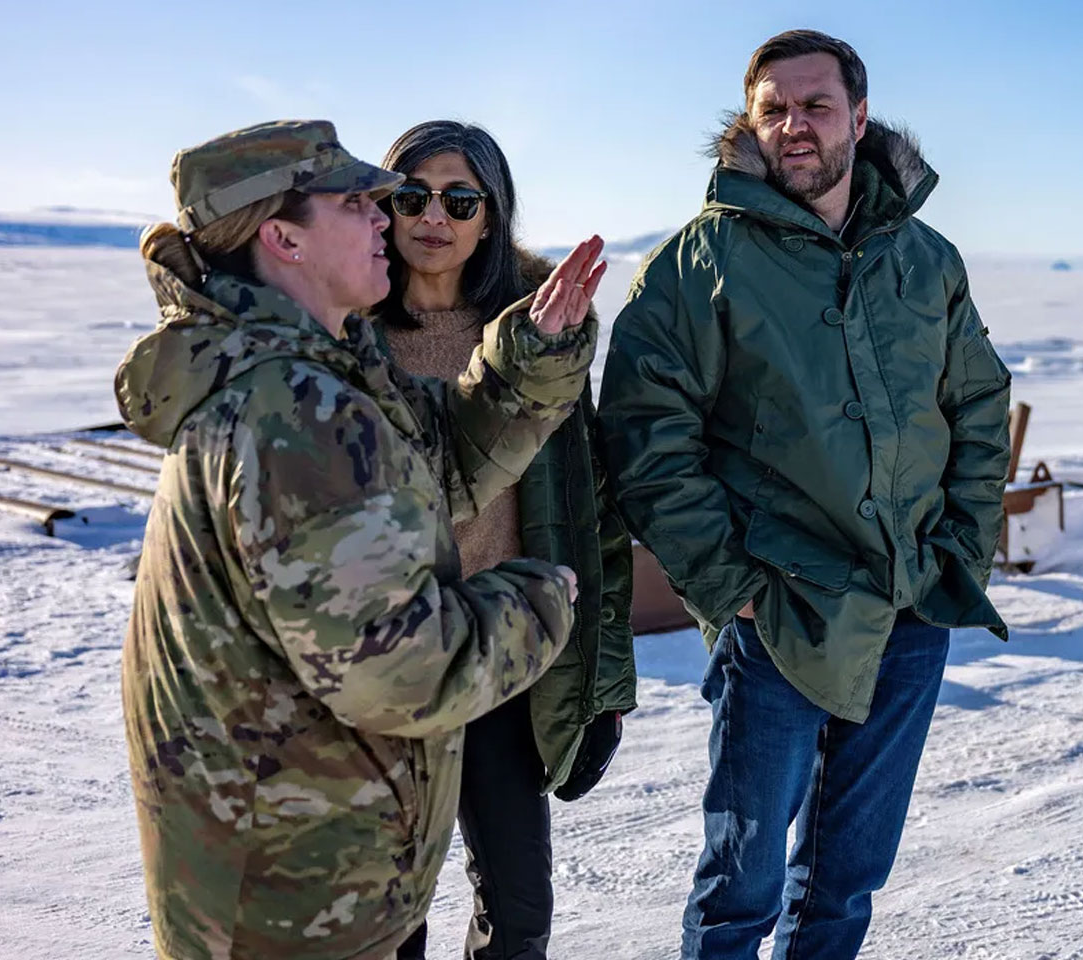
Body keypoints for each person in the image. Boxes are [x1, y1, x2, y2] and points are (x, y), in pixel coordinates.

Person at [115, 119, 605, 960]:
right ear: (284, 239)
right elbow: (397, 671)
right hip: (296, 890)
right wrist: (536, 602)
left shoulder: (308, 372)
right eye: (359, 203)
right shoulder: (294, 411)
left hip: (303, 856)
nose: (389, 217)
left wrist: (528, 361)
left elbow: (439, 462)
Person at [597, 29, 1012, 960]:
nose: (795, 125)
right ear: (749, 123)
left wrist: (960, 546)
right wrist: (729, 584)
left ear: (858, 120)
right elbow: (645, 435)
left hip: (910, 602)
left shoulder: (925, 258)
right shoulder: (699, 262)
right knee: (739, 891)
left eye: (816, 106)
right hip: (779, 612)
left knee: (846, 879)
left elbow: (978, 405)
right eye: (774, 109)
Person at [372, 120, 636, 960]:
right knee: (388, 920)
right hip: (385, 663)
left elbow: (590, 512)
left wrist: (603, 680)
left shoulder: (536, 338)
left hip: (502, 654)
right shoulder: (348, 334)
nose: (433, 217)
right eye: (411, 196)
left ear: (491, 216)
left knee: (519, 915)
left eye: (459, 200)